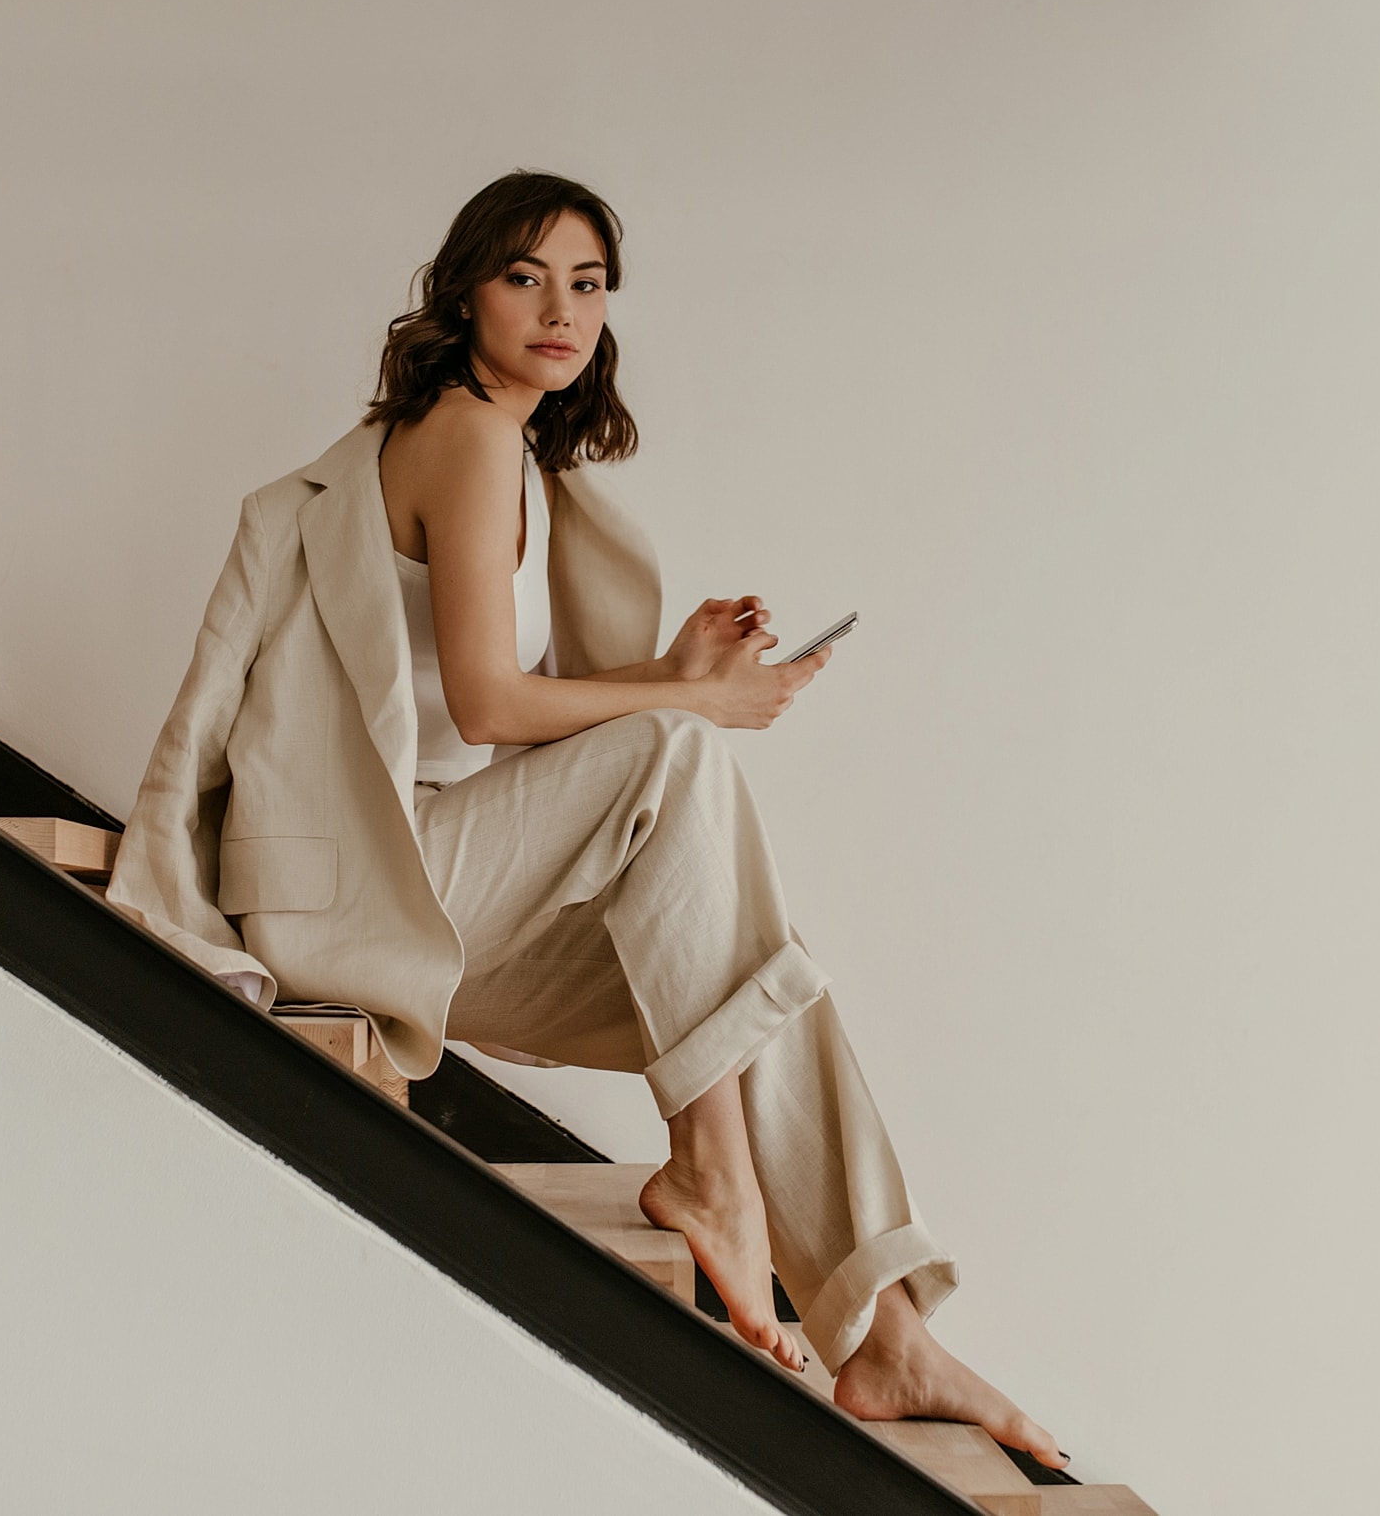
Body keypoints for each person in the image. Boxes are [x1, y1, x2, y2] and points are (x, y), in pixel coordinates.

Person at [109, 170, 1065, 1466]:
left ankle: (885, 1324)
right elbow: (498, 705)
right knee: (679, 763)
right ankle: (721, 1185)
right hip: (359, 898)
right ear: (465, 291)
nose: (562, 308)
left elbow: (510, 701)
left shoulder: (519, 457)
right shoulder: (468, 433)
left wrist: (675, 678)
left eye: (589, 282)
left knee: (758, 979)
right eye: (526, 276)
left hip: (444, 898)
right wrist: (689, 697)